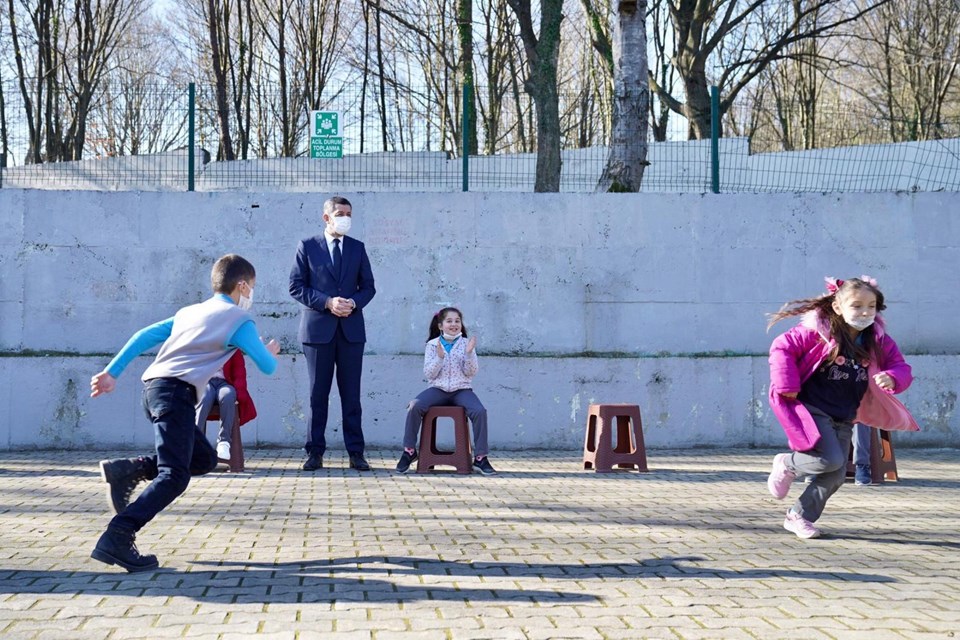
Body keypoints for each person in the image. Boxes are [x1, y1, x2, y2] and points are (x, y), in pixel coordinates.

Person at [90, 254, 280, 572]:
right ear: (243, 285)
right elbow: (268, 366)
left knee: (202, 459)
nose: (251, 295)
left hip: (154, 390)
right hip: (175, 395)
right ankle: (118, 535)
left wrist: (111, 373)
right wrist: (267, 351)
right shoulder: (239, 319)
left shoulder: (190, 312)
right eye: (253, 287)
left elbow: (142, 337)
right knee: (174, 476)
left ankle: (130, 469)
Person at [766, 276, 918, 539]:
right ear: (837, 307)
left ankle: (798, 516)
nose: (865, 312)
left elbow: (900, 365)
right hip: (813, 408)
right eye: (857, 305)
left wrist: (893, 377)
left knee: (836, 475)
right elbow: (782, 347)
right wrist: (786, 383)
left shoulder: (877, 340)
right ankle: (788, 464)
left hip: (845, 413)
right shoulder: (818, 332)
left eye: (871, 306)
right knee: (830, 460)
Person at [290, 196, 376, 472]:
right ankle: (314, 452)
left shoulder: (357, 248)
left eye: (349, 213)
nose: (345, 218)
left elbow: (369, 287)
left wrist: (354, 302)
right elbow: (296, 286)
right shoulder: (307, 247)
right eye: (340, 213)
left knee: (352, 395)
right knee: (318, 395)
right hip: (318, 333)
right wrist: (327, 302)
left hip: (351, 332)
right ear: (326, 217)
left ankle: (356, 453)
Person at [395, 307, 497, 476]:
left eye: (457, 321)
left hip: (461, 390)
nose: (454, 324)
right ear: (441, 325)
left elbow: (471, 372)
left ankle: (481, 457)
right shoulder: (432, 345)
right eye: (449, 321)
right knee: (414, 406)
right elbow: (429, 373)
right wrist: (440, 358)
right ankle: (409, 451)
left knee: (479, 411)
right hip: (438, 389)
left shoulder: (466, 343)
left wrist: (470, 354)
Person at [195, 350, 257, 461]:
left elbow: (239, 373)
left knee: (227, 395)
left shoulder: (232, 348)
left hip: (225, 383)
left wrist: (240, 394)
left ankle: (224, 441)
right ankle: (197, 441)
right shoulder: (202, 345)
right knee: (204, 397)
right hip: (206, 383)